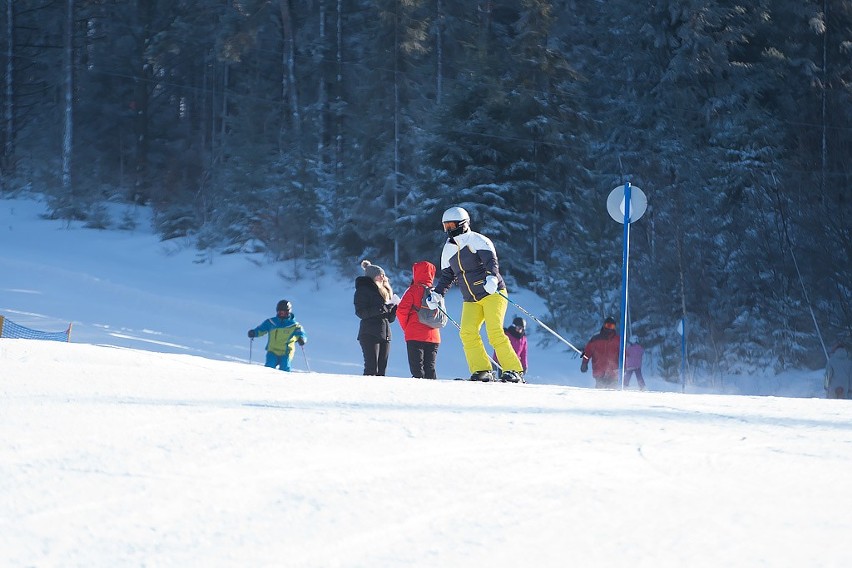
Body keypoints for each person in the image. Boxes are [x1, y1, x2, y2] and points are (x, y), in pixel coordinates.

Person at [426, 206, 524, 383]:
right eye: (445, 226)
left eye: (451, 225)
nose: (448, 230)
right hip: (471, 297)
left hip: (492, 292)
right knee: (467, 332)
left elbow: (491, 262)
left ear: (463, 224)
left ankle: (514, 370)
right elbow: (447, 275)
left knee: (494, 331)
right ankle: (482, 370)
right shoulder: (447, 249)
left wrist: (492, 278)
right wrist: (437, 294)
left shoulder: (477, 240)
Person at [354, 260, 400, 376]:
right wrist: (383, 308)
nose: (383, 277)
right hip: (369, 332)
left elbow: (389, 319)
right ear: (373, 276)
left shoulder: (384, 291)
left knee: (382, 370)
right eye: (380, 275)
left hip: (385, 334)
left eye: (384, 275)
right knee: (371, 368)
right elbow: (361, 313)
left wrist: (394, 309)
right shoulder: (363, 290)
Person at [397, 261, 441, 379]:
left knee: (417, 371)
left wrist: (407, 328)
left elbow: (401, 311)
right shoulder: (436, 292)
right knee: (430, 369)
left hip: (414, 334)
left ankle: (419, 395)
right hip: (433, 336)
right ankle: (433, 394)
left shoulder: (412, 290)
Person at [247, 299, 307, 371]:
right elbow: (261, 329)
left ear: (288, 312)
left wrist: (301, 339)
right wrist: (254, 332)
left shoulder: (294, 325)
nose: (281, 314)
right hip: (272, 350)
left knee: (284, 368)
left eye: (283, 312)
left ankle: (284, 381)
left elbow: (301, 333)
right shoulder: (271, 322)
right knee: (269, 367)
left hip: (286, 352)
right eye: (279, 312)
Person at [580, 316, 620, 389]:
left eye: (611, 326)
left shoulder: (618, 340)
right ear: (604, 325)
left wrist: (625, 366)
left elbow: (624, 354)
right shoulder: (595, 339)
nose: (609, 328)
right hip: (599, 371)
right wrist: (584, 363)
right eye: (608, 325)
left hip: (613, 372)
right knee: (600, 392)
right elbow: (587, 352)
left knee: (612, 393)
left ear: (614, 327)